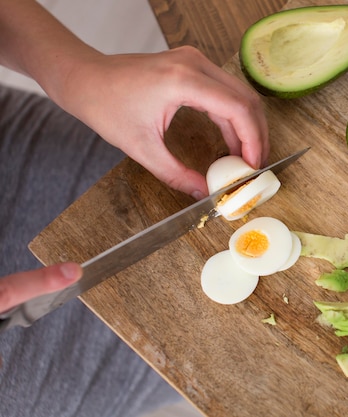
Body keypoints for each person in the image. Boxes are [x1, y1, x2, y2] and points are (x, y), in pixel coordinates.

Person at [0, 0, 270, 416]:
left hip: (17, 161)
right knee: (223, 354)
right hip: (30, 374)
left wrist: (75, 72)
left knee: (148, 168)